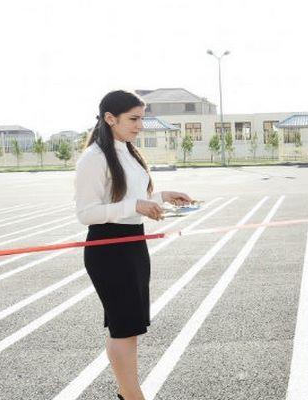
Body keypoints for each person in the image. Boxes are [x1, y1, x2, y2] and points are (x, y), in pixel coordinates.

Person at [75, 90, 193, 400]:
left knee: (131, 326)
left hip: (133, 245)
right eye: (134, 119)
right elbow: (86, 214)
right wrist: (136, 206)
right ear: (110, 118)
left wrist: (161, 197)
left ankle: (129, 393)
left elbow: (130, 201)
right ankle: (132, 395)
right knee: (123, 326)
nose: (141, 125)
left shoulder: (128, 151)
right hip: (109, 247)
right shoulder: (94, 158)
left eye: (142, 118)